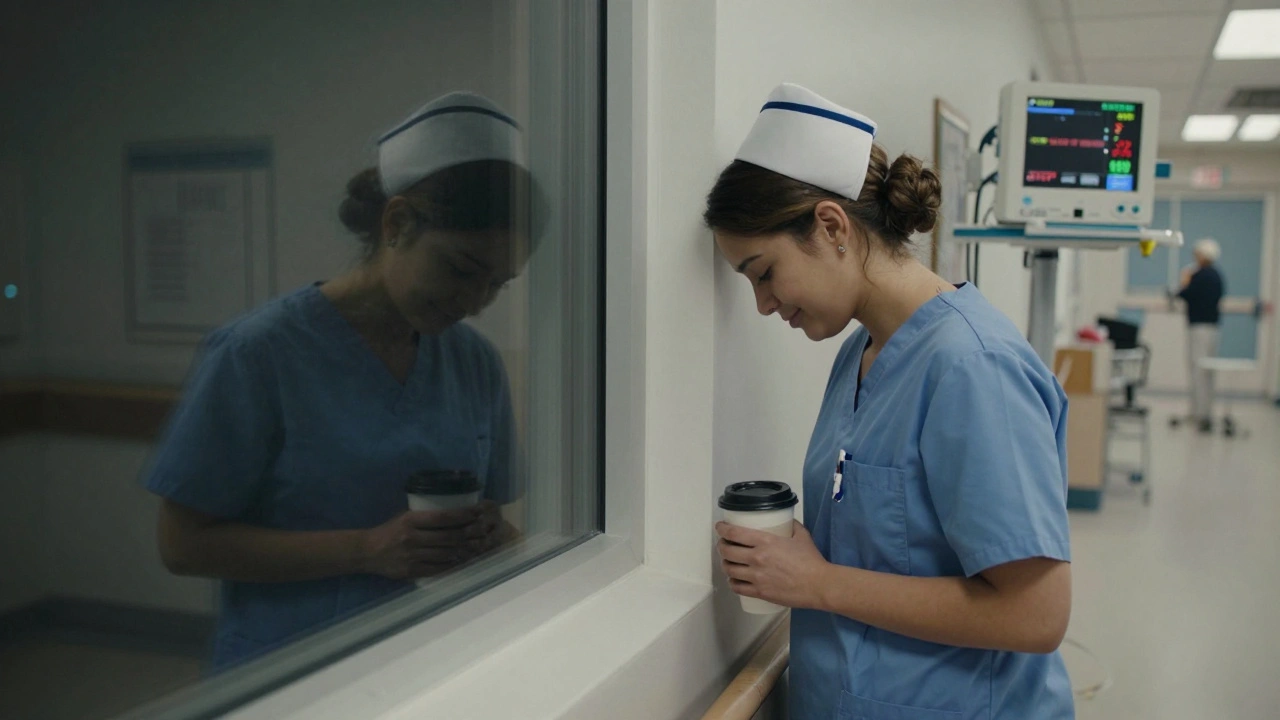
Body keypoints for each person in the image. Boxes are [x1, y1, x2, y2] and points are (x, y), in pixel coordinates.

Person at [707, 84, 1073, 719]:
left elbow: (1036, 614)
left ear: (831, 226)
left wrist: (818, 582)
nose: (763, 305)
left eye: (764, 273)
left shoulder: (973, 368)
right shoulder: (863, 351)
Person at [145, 91, 531, 671]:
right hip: (290, 672)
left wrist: (493, 538)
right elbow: (182, 545)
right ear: (397, 224)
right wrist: (366, 550)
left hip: (435, 659)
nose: (475, 302)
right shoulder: (257, 355)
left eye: (497, 283)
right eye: (460, 269)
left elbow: (498, 519)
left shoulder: (474, 362)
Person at [1177, 238, 1225, 432]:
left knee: (1198, 370)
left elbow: (1185, 294)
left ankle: (1199, 413)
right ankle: (1205, 412)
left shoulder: (1199, 275)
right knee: (1207, 372)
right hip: (1212, 328)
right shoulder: (1217, 276)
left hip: (1198, 328)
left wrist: (1185, 280)